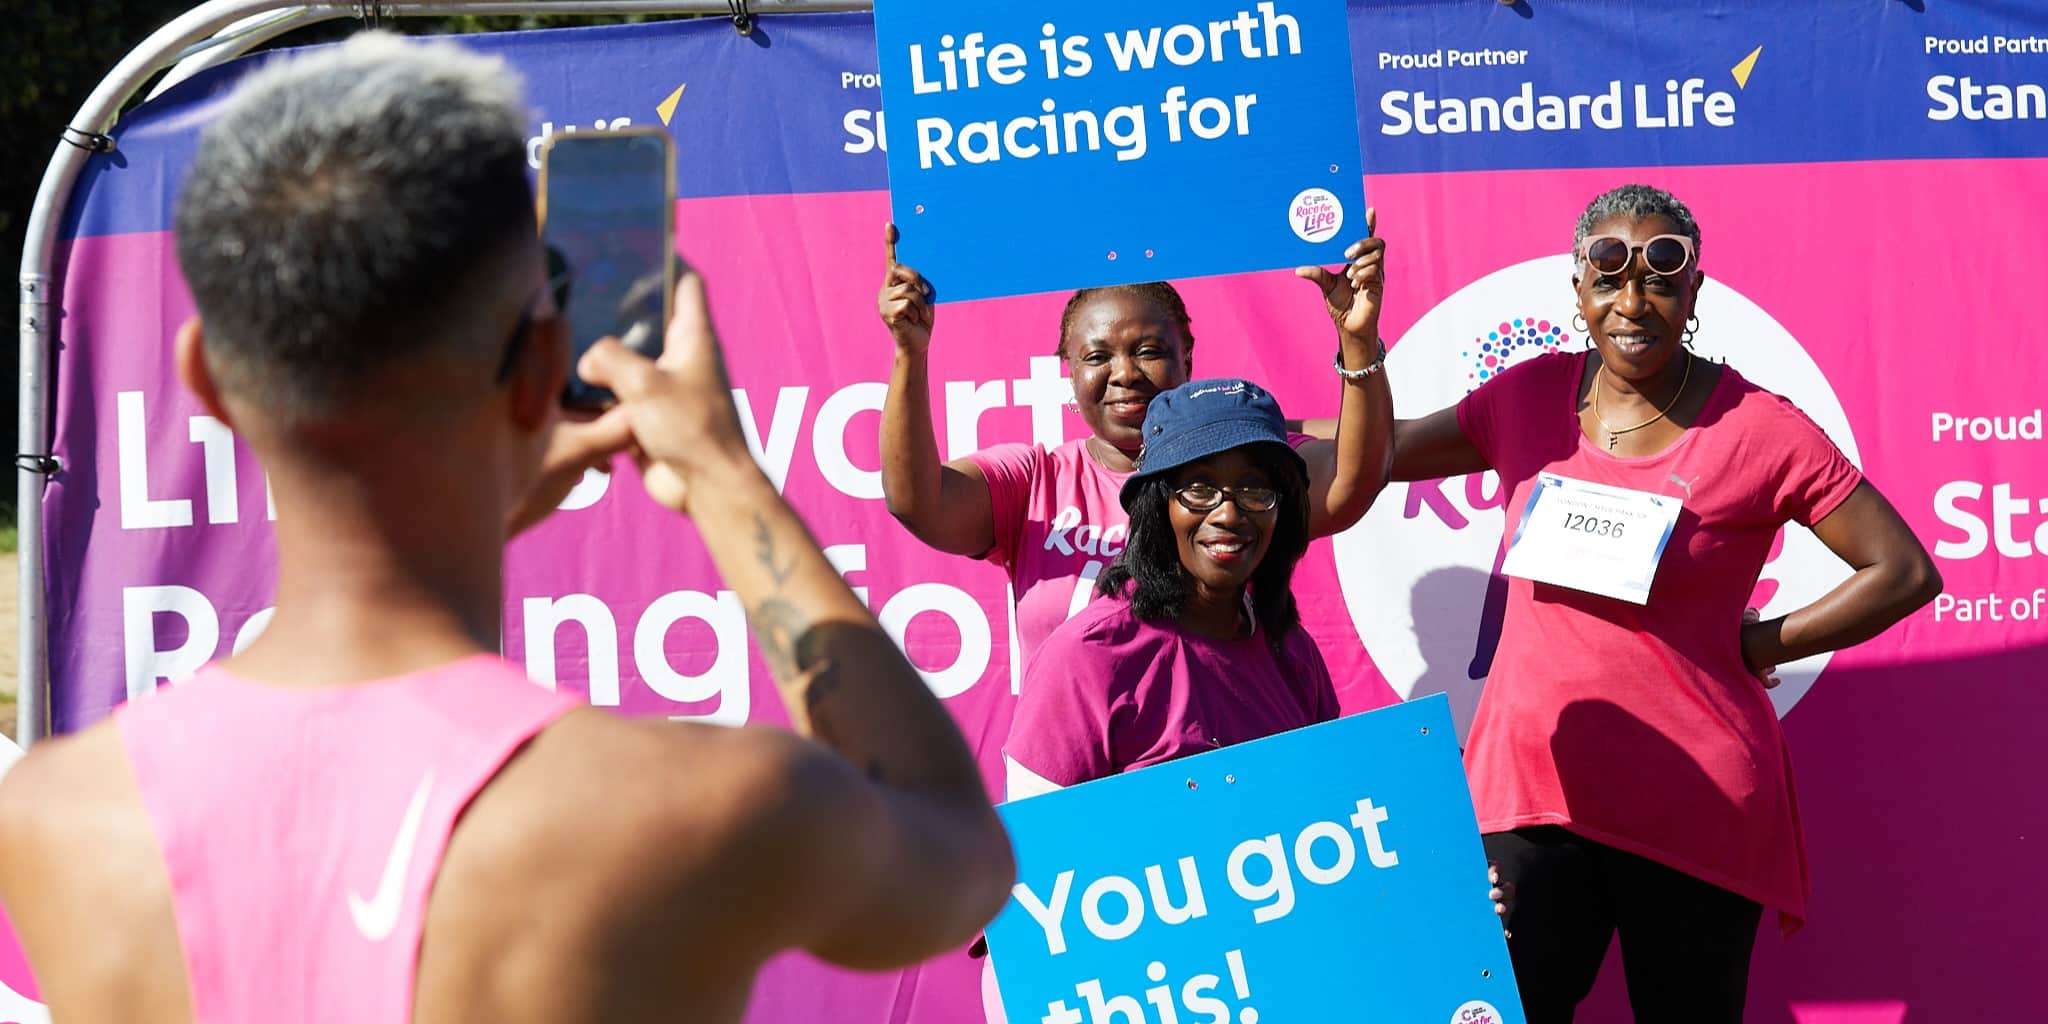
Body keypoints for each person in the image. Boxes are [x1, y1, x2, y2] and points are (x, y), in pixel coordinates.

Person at [0, 33, 1013, 1024]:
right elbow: (958, 851)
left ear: (208, 381)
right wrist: (722, 475)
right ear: (539, 372)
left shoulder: (54, 819)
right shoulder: (682, 806)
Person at [1387, 184, 1941, 1022]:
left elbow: (1903, 571)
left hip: (1694, 802)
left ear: (1694, 295)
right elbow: (1374, 455)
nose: (1633, 301)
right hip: (1535, 790)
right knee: (1498, 1011)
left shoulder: (1760, 426)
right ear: (1577, 291)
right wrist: (1243, 434)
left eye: (1661, 277)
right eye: (1608, 276)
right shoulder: (1525, 398)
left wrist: (1761, 647)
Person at [877, 222, 1394, 669]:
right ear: (1070, 374)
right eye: (1097, 357)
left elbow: (1351, 481)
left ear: (1186, 358)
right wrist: (909, 354)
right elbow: (919, 502)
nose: (1124, 374)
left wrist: (1358, 340)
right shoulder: (1035, 481)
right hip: (1080, 775)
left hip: (1224, 765)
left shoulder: (1245, 459)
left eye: (1148, 351)